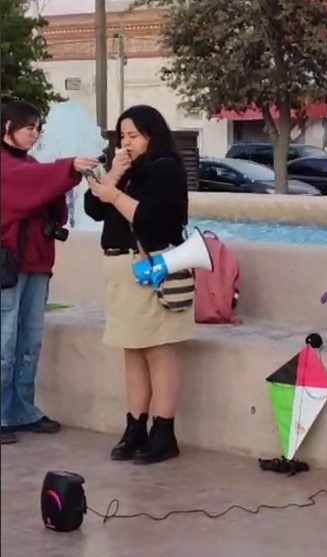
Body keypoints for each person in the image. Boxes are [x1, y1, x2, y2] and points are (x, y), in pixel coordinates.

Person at [83, 105, 192, 466]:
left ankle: (164, 431)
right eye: (122, 136)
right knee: (131, 349)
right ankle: (135, 426)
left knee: (157, 350)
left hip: (149, 266)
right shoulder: (121, 167)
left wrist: (114, 194)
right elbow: (92, 208)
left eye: (133, 136)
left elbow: (149, 219)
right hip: (118, 265)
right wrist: (113, 174)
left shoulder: (166, 169)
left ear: (152, 134)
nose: (126, 143)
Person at [1, 100, 98, 445]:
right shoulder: (8, 166)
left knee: (30, 340)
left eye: (38, 127)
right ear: (8, 127)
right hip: (9, 266)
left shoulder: (29, 165)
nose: (35, 133)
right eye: (29, 127)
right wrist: (68, 167)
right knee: (5, 341)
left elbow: (41, 186)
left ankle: (21, 410)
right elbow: (28, 183)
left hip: (36, 263)